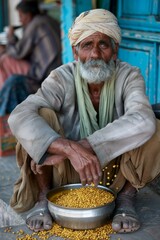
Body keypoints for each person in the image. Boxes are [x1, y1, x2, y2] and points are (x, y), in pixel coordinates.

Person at [8, 9, 160, 234]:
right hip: (66, 171)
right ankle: (44, 197)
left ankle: (126, 198)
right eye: (87, 45)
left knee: (155, 127)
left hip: (116, 172)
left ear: (115, 49)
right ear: (75, 51)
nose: (96, 54)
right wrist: (67, 149)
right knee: (40, 117)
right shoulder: (61, 77)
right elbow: (19, 115)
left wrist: (84, 146)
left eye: (103, 45)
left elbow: (142, 120)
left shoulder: (130, 75)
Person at [0, 0, 61, 92]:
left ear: (28, 14)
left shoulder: (35, 24)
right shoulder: (48, 20)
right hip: (58, 67)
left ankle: (2, 94)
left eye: (21, 16)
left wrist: (10, 37)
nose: (20, 20)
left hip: (46, 72)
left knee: (4, 60)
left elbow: (18, 52)